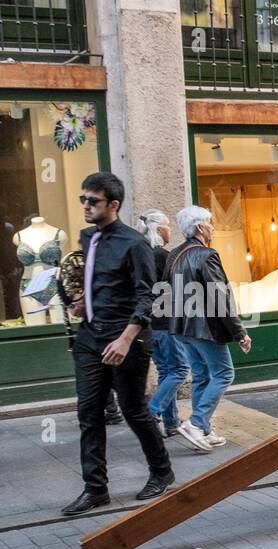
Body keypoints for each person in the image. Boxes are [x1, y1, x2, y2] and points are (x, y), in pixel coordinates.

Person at [61, 172, 174, 516]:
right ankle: (95, 489)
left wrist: (126, 339)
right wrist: (85, 302)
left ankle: (162, 471)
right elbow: (102, 281)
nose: (86, 206)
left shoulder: (133, 243)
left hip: (127, 338)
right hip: (90, 337)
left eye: (92, 201)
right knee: (89, 413)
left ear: (114, 205)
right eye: (83, 199)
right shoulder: (87, 238)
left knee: (133, 410)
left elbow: (148, 295)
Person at [162, 205, 253, 453]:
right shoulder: (206, 255)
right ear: (201, 227)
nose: (213, 227)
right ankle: (197, 423)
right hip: (205, 328)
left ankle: (204, 430)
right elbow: (219, 296)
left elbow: (166, 292)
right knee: (224, 374)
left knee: (202, 375)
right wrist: (239, 332)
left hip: (182, 328)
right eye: (210, 223)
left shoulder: (175, 255)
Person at [138, 209, 188, 438]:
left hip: (150, 325)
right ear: (159, 229)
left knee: (167, 371)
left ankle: (171, 422)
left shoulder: (141, 255)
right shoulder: (163, 256)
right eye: (167, 226)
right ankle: (153, 410)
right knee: (179, 370)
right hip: (167, 323)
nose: (170, 230)